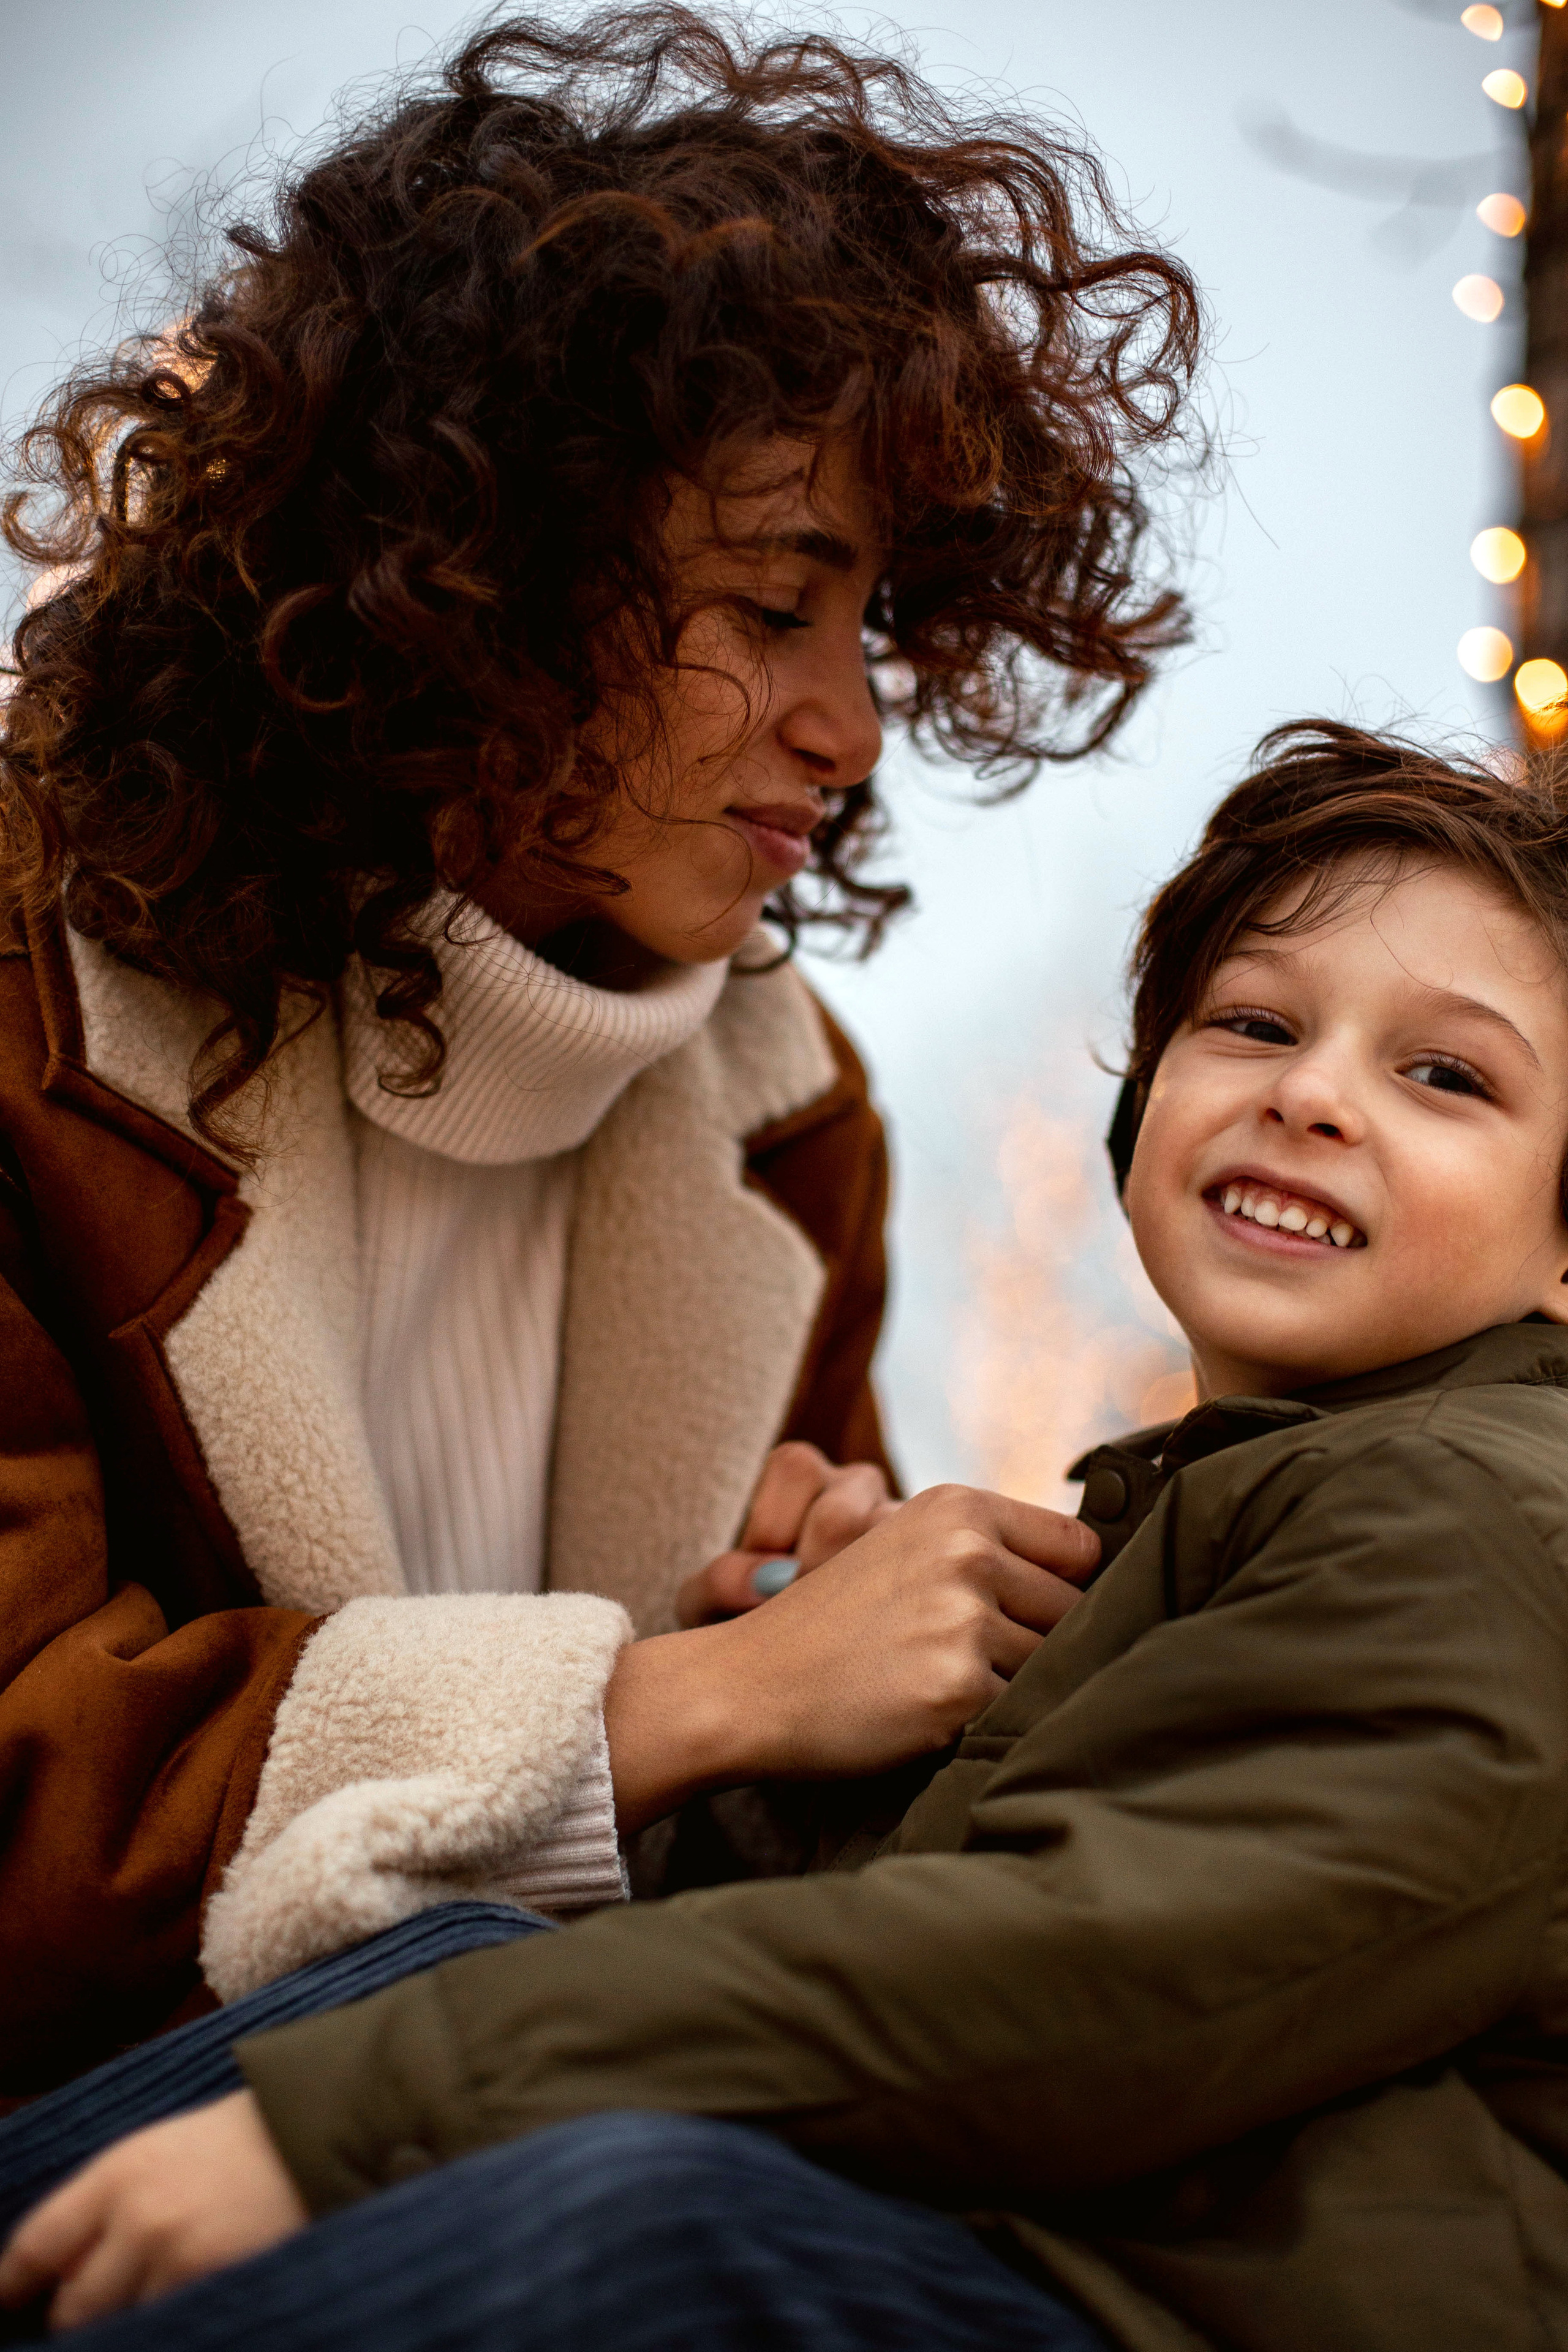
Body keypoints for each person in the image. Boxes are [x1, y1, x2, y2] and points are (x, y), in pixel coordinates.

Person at [9, 719, 1568, 2352]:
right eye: (1252, 1022)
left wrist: (363, 2119)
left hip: (1159, 2308)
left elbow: (1080, 1983)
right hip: (1042, 2241)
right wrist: (789, 1736)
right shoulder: (1211, 1514)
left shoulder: (1477, 1504)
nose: (1313, 1094)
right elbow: (927, 1919)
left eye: (1446, 1075)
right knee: (457, 1952)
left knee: (640, 2228)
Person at [0, 6, 1200, 2092]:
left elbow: (752, 1828)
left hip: (519, 2087)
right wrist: (672, 1712)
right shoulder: (28, 1007)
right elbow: (24, 1812)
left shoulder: (783, 1120)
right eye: (769, 607)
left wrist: (816, 1655)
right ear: (470, 581)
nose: (856, 724)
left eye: (875, 624)